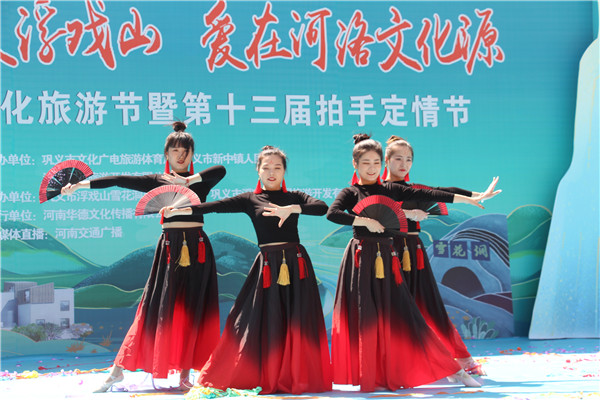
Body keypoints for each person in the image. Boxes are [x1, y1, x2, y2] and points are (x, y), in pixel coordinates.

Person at [61, 122, 225, 392]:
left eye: (185, 151)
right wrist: (80, 185)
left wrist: (188, 181)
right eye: (175, 151)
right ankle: (116, 372)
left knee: (193, 309)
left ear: (192, 154)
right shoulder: (157, 181)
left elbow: (221, 170)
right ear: (166, 154)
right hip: (170, 248)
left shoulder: (200, 181)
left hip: (197, 249)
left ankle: (185, 375)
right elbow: (118, 180)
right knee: (151, 309)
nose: (181, 156)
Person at [163, 146, 332, 394]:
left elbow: (322, 207)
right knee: (254, 319)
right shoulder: (250, 199)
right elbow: (214, 206)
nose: (272, 172)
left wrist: (292, 209)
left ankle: (295, 375)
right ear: (258, 170)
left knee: (297, 319)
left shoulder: (295, 197)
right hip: (267, 264)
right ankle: (261, 372)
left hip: (295, 263)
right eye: (266, 167)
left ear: (284, 171)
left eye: (277, 167)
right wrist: (179, 210)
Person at [327, 134, 484, 392]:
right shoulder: (350, 192)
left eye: (376, 163)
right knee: (366, 317)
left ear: (382, 164)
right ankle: (373, 374)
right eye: (365, 163)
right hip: (359, 258)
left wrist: (469, 199)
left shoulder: (389, 189)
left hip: (387, 258)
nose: (371, 168)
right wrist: (363, 221)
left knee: (407, 314)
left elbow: (430, 193)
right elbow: (332, 213)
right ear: (355, 164)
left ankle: (452, 370)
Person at [383, 135, 500, 375]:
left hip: (414, 252)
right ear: (386, 161)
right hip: (388, 252)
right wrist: (404, 214)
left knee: (430, 306)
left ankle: (462, 360)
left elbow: (440, 192)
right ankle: (398, 364)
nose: (404, 164)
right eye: (398, 159)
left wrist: (476, 195)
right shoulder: (379, 191)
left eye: (408, 159)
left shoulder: (413, 189)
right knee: (393, 309)